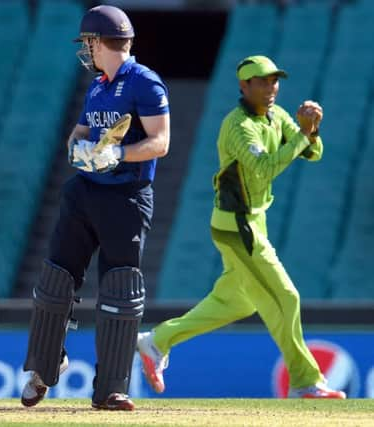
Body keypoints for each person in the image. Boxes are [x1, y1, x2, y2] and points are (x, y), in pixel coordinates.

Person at [137, 55, 346, 399]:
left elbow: (314, 153)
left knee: (235, 302)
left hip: (253, 222)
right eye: (262, 82)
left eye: (274, 81)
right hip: (237, 227)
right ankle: (306, 380)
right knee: (286, 298)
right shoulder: (237, 126)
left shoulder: (277, 115)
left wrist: (313, 130)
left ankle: (156, 341)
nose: (270, 88)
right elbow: (264, 169)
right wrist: (302, 136)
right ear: (243, 86)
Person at [21, 5, 170, 411]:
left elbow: (160, 141)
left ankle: (111, 389)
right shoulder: (98, 86)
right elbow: (79, 134)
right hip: (85, 191)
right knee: (55, 279)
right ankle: (44, 367)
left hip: (127, 197)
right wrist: (82, 151)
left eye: (87, 42)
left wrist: (118, 153)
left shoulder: (145, 83)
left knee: (120, 288)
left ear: (99, 41)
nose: (85, 50)